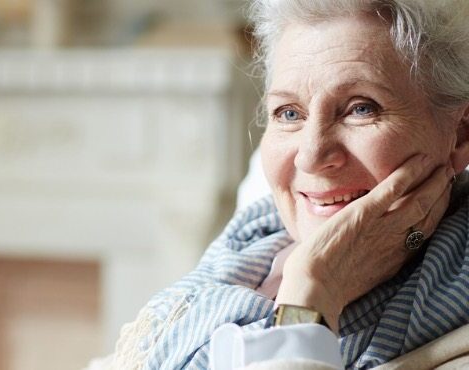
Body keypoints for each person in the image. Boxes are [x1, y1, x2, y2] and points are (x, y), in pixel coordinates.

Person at [87, 0, 469, 369]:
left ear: (461, 134)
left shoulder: (452, 308)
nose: (310, 155)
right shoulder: (252, 239)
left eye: (361, 108)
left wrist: (312, 295)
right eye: (289, 113)